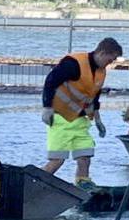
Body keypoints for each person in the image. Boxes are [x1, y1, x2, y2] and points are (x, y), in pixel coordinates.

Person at [41, 38, 123, 189]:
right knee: (57, 160)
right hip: (60, 118)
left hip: (80, 120)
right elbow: (50, 81)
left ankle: (82, 185)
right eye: (110, 59)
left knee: (85, 156)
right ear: (102, 52)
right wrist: (47, 107)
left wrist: (98, 119)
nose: (110, 63)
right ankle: (35, 185)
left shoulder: (101, 72)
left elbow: (94, 97)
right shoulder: (74, 63)